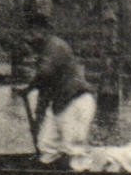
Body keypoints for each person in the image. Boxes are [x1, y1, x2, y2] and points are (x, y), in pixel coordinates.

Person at [14, 13, 96, 163]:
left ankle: (80, 173)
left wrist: (29, 88)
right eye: (28, 32)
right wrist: (36, 108)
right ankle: (46, 171)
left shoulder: (55, 46)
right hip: (61, 104)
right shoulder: (43, 51)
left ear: (44, 30)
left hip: (76, 101)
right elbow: (44, 89)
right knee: (46, 144)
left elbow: (45, 73)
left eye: (33, 32)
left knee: (74, 148)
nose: (29, 37)